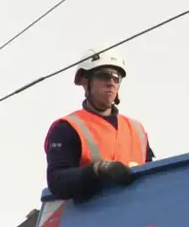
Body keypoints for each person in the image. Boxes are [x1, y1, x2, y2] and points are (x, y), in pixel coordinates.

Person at [44, 47, 154, 201]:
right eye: (104, 76)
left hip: (135, 215)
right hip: (91, 218)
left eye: (116, 78)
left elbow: (154, 177)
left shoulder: (137, 130)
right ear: (84, 81)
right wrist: (97, 169)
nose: (111, 82)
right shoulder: (68, 127)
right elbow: (58, 182)